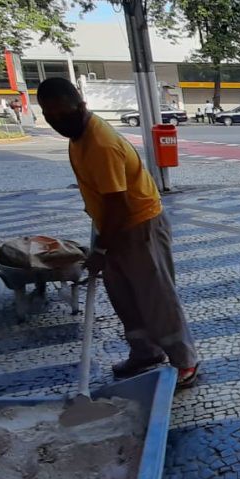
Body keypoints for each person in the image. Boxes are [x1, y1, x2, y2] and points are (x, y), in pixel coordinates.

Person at [35, 78, 199, 387]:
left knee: (156, 297)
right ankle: (146, 351)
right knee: (124, 296)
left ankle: (185, 361)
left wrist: (99, 251)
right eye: (48, 115)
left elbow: (118, 203)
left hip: (139, 224)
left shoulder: (101, 143)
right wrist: (102, 239)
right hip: (111, 224)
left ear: (81, 106)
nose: (56, 120)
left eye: (61, 113)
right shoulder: (78, 135)